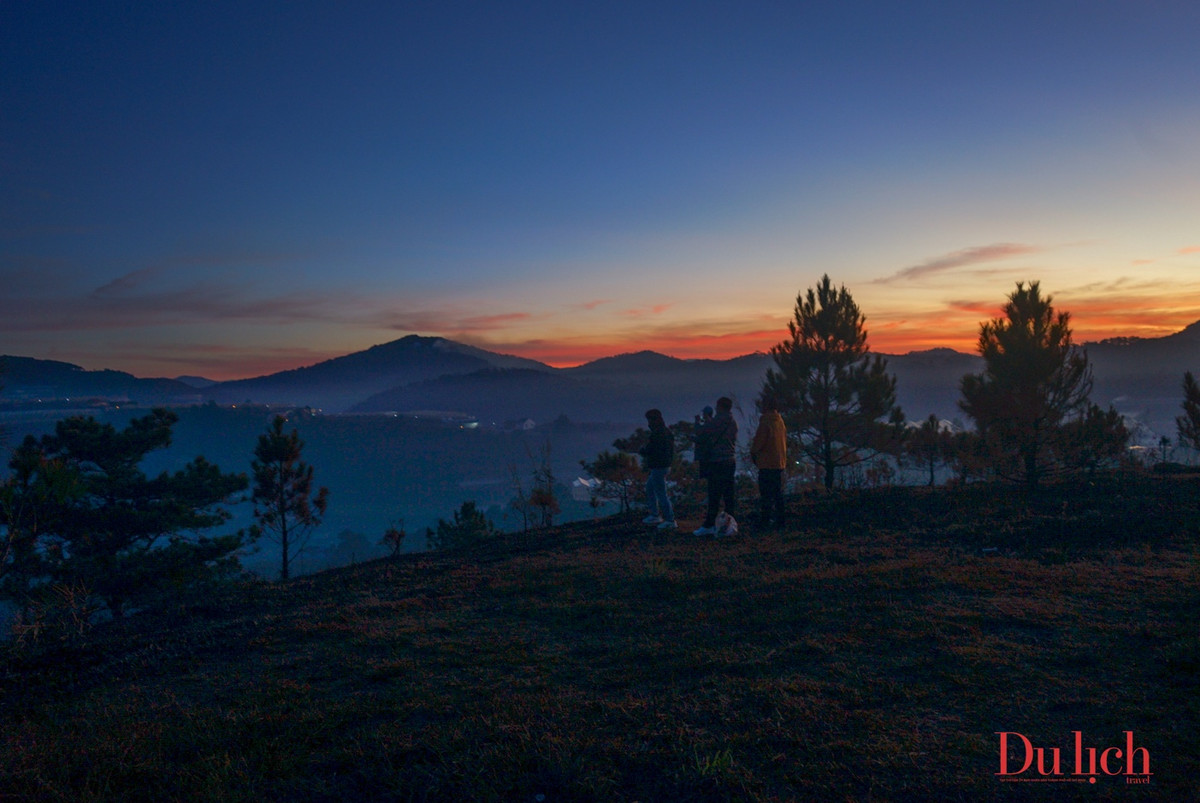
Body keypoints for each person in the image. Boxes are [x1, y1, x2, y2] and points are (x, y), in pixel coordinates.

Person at [693, 397, 737, 536]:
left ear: (720, 407)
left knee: (714, 495)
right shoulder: (733, 422)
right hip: (730, 461)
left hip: (717, 462)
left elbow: (701, 432)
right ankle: (729, 524)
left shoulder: (718, 420)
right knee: (728, 494)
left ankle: (709, 525)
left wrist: (697, 422)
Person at [750, 397, 788, 530]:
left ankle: (765, 520)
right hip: (779, 462)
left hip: (766, 463)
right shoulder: (780, 421)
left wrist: (753, 453)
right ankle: (780, 520)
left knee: (765, 494)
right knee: (778, 493)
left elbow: (758, 443)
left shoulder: (765, 422)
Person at [638, 409, 676, 530]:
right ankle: (655, 515)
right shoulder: (666, 432)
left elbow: (652, 450)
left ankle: (670, 520)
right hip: (664, 465)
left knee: (661, 493)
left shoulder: (657, 433)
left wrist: (643, 451)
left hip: (658, 466)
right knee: (650, 488)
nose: (648, 423)